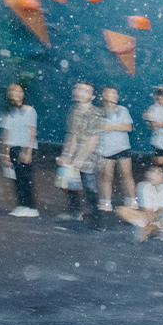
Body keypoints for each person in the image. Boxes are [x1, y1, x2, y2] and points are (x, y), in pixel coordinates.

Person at [57, 81, 103, 226]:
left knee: (90, 188)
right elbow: (72, 134)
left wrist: (80, 159)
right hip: (75, 154)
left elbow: (93, 140)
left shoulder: (96, 113)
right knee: (69, 184)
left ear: (92, 97)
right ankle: (75, 213)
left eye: (85, 91)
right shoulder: (74, 111)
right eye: (79, 89)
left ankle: (97, 220)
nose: (80, 92)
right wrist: (67, 154)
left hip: (89, 157)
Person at [116, 164, 163, 242]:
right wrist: (146, 223)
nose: (152, 175)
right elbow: (148, 211)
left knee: (150, 226)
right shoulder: (144, 187)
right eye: (153, 172)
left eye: (157, 174)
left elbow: (158, 214)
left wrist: (146, 224)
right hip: (155, 219)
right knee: (121, 210)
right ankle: (159, 233)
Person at [0, 82, 39, 217]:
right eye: (11, 90)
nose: (13, 92)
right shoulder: (9, 111)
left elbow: (31, 131)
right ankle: (21, 205)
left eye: (17, 90)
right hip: (14, 148)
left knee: (26, 179)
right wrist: (5, 153)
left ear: (23, 94)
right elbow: (7, 133)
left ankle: (31, 207)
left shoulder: (29, 110)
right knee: (16, 179)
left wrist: (27, 152)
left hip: (25, 147)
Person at [96, 86, 136, 209]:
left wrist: (110, 127)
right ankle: (106, 203)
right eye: (112, 93)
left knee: (127, 175)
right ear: (104, 96)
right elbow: (99, 128)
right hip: (106, 150)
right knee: (107, 176)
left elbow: (128, 127)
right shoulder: (98, 112)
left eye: (116, 93)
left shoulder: (123, 110)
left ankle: (132, 202)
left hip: (123, 147)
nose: (115, 95)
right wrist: (118, 126)